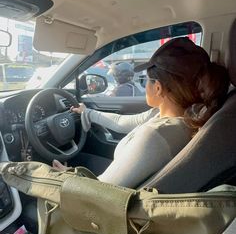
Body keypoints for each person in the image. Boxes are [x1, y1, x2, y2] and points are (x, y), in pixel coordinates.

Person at [53, 37, 230, 189]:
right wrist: (88, 112)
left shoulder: (154, 136)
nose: (144, 85)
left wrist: (65, 177)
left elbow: (101, 190)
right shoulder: (174, 118)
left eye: (146, 80)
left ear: (158, 87)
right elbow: (122, 122)